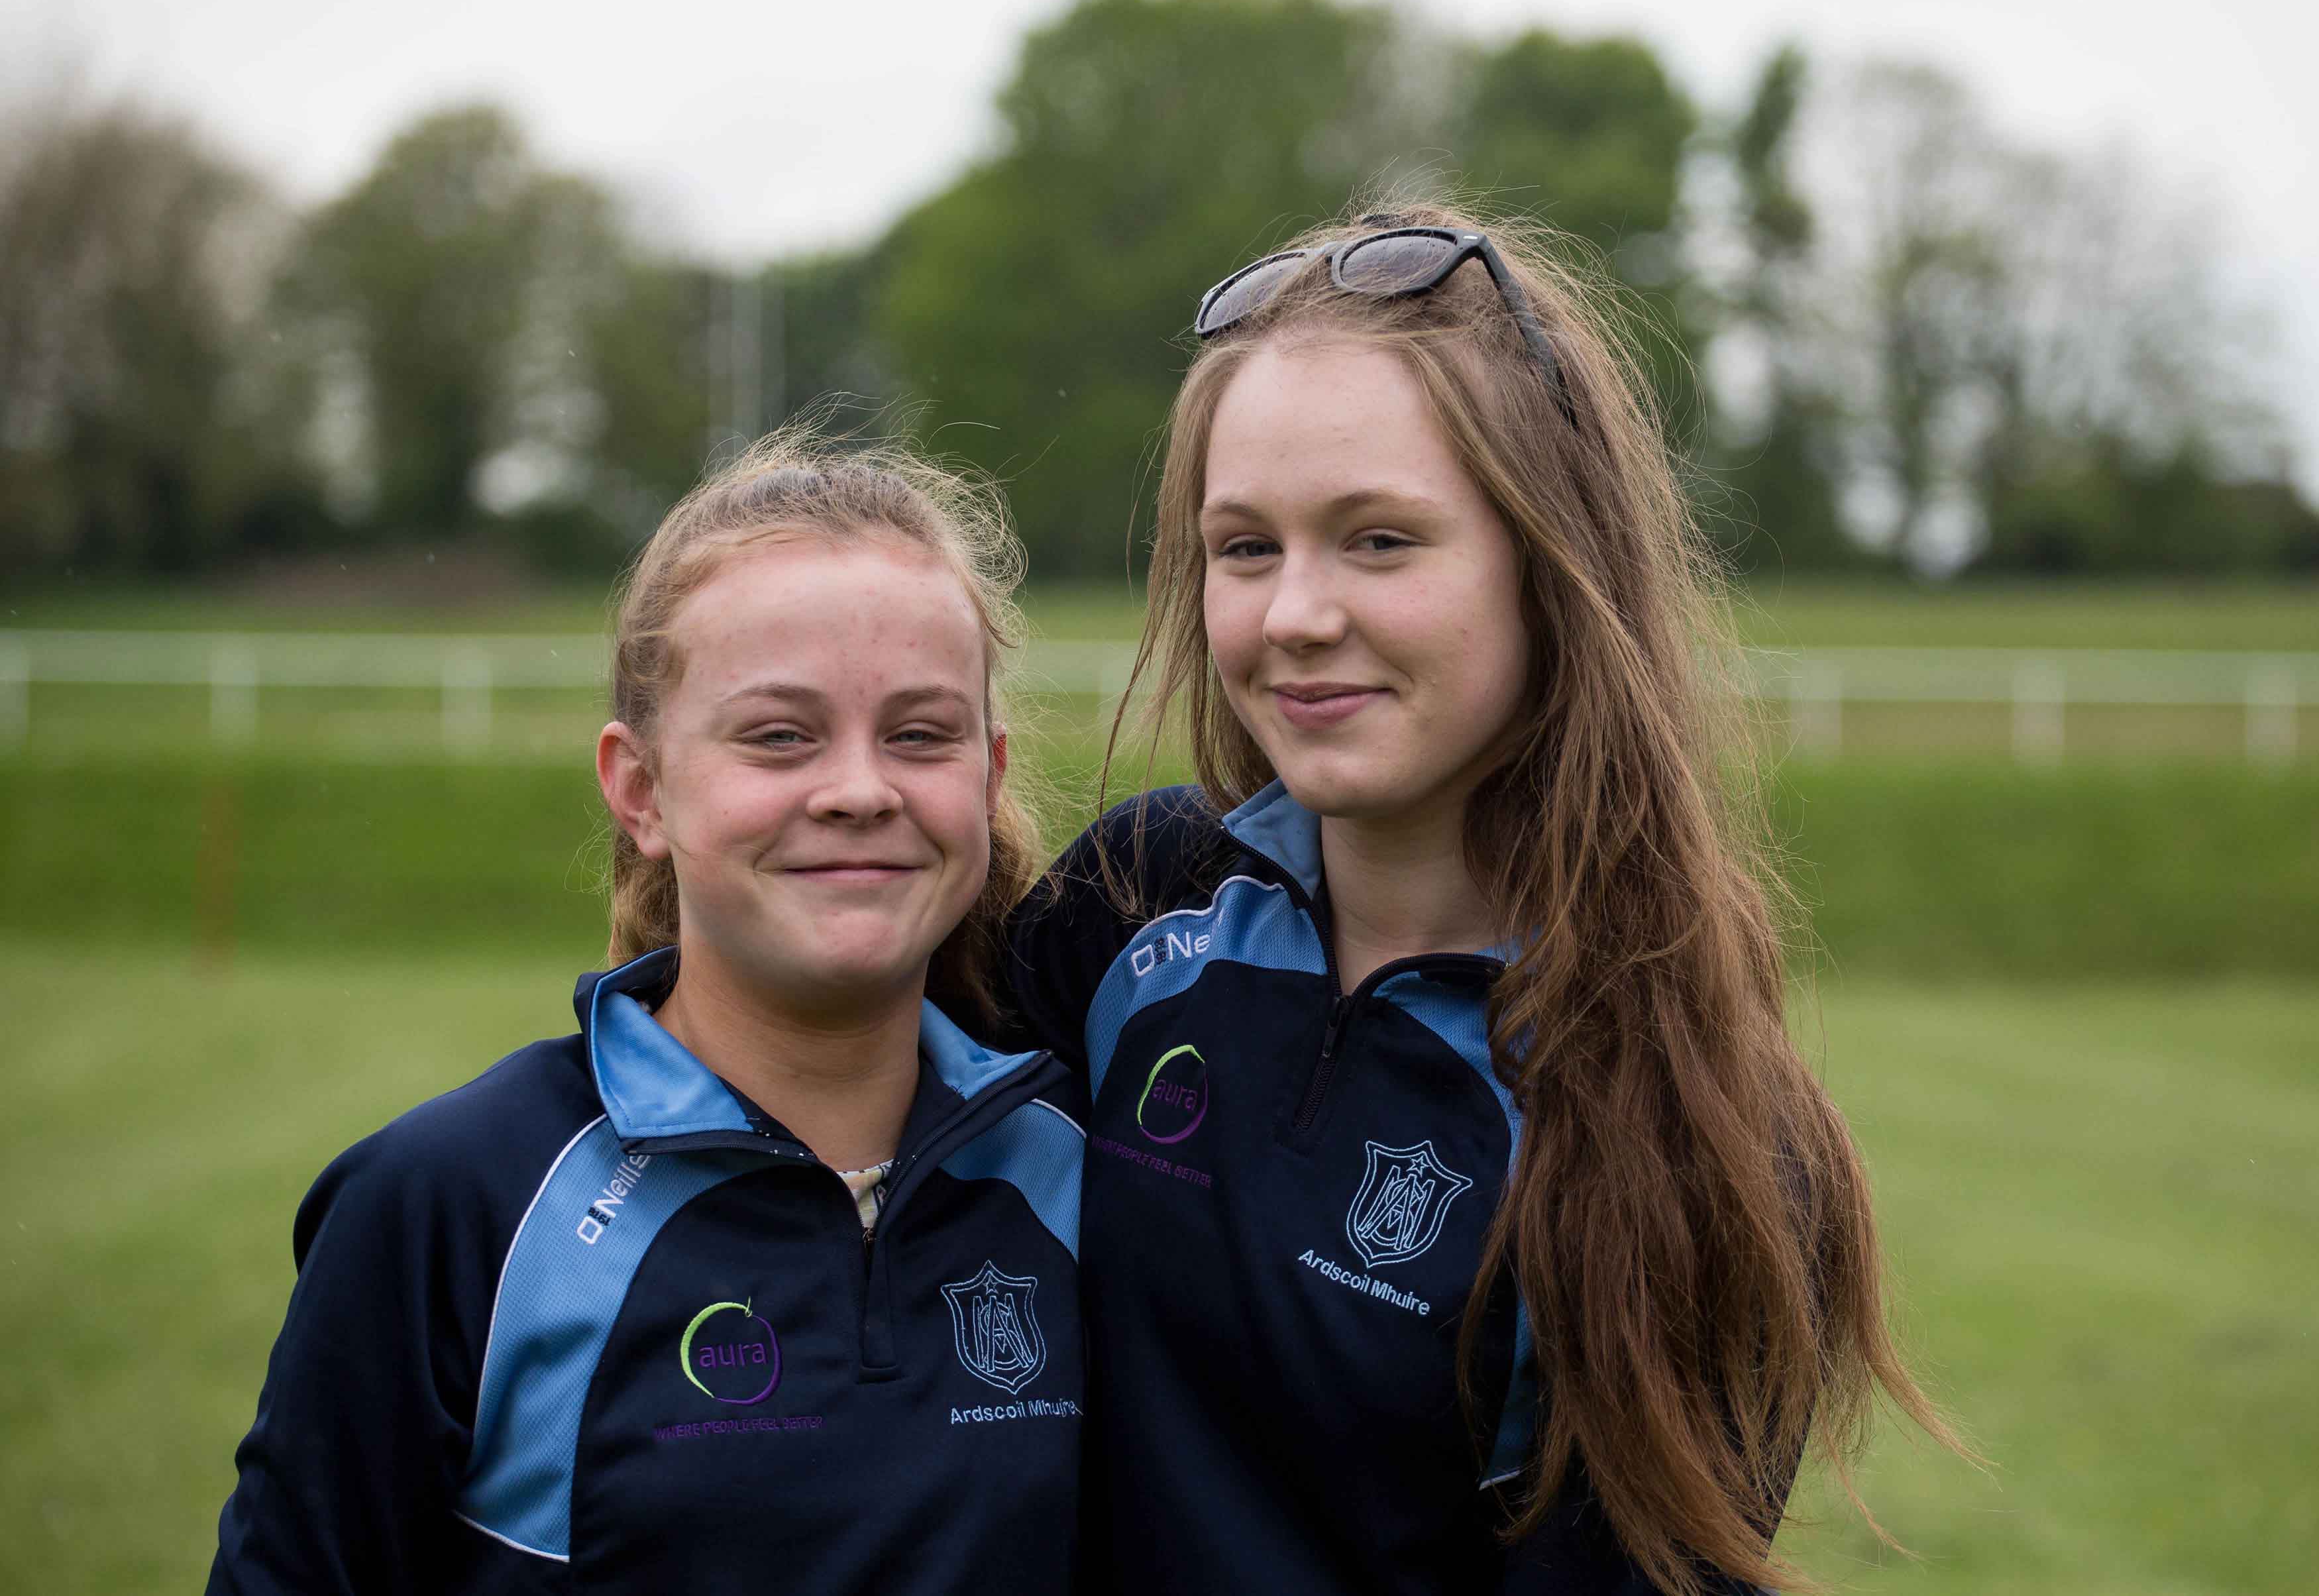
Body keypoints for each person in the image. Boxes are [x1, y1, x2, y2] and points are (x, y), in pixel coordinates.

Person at [1003, 203, 1955, 1595]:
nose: (1294, 614)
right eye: (1245, 547)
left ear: (1551, 562)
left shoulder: (1682, 1127)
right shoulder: (1131, 900)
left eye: (1380, 540)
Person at [209, 431, 1086, 1595]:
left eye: (921, 733)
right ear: (641, 789)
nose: (860, 789)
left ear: (988, 774)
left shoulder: (1088, 1174)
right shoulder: (451, 1205)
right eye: (780, 735)